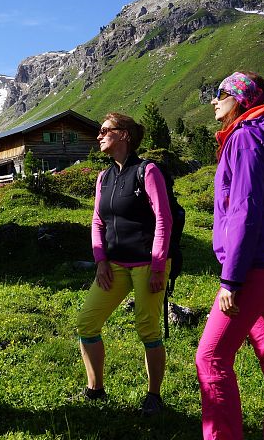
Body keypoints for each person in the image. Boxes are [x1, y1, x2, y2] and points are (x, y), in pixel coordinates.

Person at [195, 72, 264, 439]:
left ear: (240, 99)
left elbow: (243, 209)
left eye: (220, 93)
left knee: (210, 357)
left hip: (252, 267)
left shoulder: (243, 138)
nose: (214, 100)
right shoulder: (262, 137)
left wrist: (231, 278)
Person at [77, 113, 173, 415]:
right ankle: (96, 389)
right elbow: (97, 220)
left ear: (124, 136)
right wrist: (100, 260)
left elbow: (163, 219)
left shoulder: (148, 171)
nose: (99, 135)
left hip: (148, 264)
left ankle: (153, 396)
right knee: (87, 322)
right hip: (114, 265)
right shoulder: (103, 177)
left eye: (105, 131)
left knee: (148, 329)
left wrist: (158, 266)